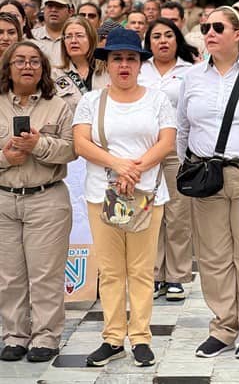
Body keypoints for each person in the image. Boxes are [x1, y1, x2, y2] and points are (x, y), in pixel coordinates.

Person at [176, 6, 239, 360]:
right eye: (205, 27)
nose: (210, 32)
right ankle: (223, 326)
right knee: (214, 255)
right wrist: (188, 165)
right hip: (206, 176)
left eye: (218, 27)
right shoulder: (192, 77)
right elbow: (183, 128)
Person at [72, 28, 176, 367]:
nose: (124, 65)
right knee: (112, 270)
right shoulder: (92, 100)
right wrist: (118, 165)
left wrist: (136, 170)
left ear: (139, 63)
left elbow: (166, 141)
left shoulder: (157, 99)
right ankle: (114, 337)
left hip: (145, 194)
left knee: (142, 270)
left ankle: (142, 337)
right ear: (107, 63)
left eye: (131, 58)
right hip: (102, 194)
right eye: (117, 58)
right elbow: (82, 143)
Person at [0, 41, 75, 362]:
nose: (27, 66)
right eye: (19, 61)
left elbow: (72, 149)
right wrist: (4, 157)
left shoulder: (58, 105)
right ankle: (14, 335)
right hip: (4, 200)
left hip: (47, 198)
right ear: (8, 67)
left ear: (44, 68)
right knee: (9, 276)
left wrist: (38, 144)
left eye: (34, 61)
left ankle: (46, 336)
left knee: (46, 274)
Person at [140, 18, 197, 301]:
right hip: (144, 151)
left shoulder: (191, 70)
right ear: (148, 42)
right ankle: (152, 274)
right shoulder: (140, 69)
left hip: (177, 151)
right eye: (156, 37)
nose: (162, 41)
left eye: (168, 36)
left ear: (177, 40)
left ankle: (176, 276)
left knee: (177, 214)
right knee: (148, 212)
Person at [32, 0, 74, 66]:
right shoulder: (31, 37)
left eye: (59, 6)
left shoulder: (77, 39)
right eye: (50, 6)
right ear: (43, 9)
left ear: (70, 12)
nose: (53, 10)